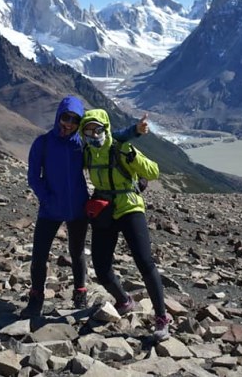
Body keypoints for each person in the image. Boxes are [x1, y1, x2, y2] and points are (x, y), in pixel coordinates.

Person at [22, 95, 148, 318]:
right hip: (50, 208)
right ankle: (36, 297)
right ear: (58, 116)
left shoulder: (82, 144)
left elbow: (112, 140)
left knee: (77, 251)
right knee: (40, 255)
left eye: (74, 119)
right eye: (65, 117)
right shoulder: (42, 143)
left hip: (79, 208)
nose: (68, 123)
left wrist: (135, 133)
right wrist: (46, 198)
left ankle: (80, 292)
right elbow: (34, 177)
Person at [79, 108, 172, 342]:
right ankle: (123, 300)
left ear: (105, 129)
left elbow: (153, 171)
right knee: (101, 267)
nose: (93, 135)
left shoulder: (122, 147)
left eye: (97, 129)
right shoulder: (88, 153)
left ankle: (161, 317)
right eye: (88, 131)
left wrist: (134, 157)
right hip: (104, 210)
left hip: (129, 206)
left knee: (144, 261)